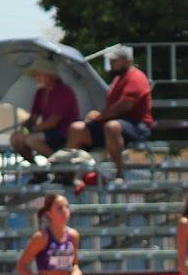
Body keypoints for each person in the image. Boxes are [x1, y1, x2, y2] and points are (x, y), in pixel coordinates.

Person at [65, 45, 154, 181]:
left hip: (137, 126)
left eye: (115, 61)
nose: (111, 65)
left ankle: (120, 173)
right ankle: (69, 174)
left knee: (112, 126)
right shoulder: (118, 79)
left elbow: (124, 106)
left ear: (126, 60)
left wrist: (100, 116)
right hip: (114, 124)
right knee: (76, 129)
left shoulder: (136, 77)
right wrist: (98, 116)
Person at [8, 59, 80, 165]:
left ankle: (61, 168)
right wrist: (22, 130)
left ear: (50, 75)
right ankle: (37, 171)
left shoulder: (63, 92)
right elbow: (33, 117)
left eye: (39, 75)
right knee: (15, 139)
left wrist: (28, 132)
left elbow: (53, 122)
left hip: (63, 132)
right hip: (47, 131)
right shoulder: (40, 92)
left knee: (31, 140)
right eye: (35, 76)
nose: (36, 78)